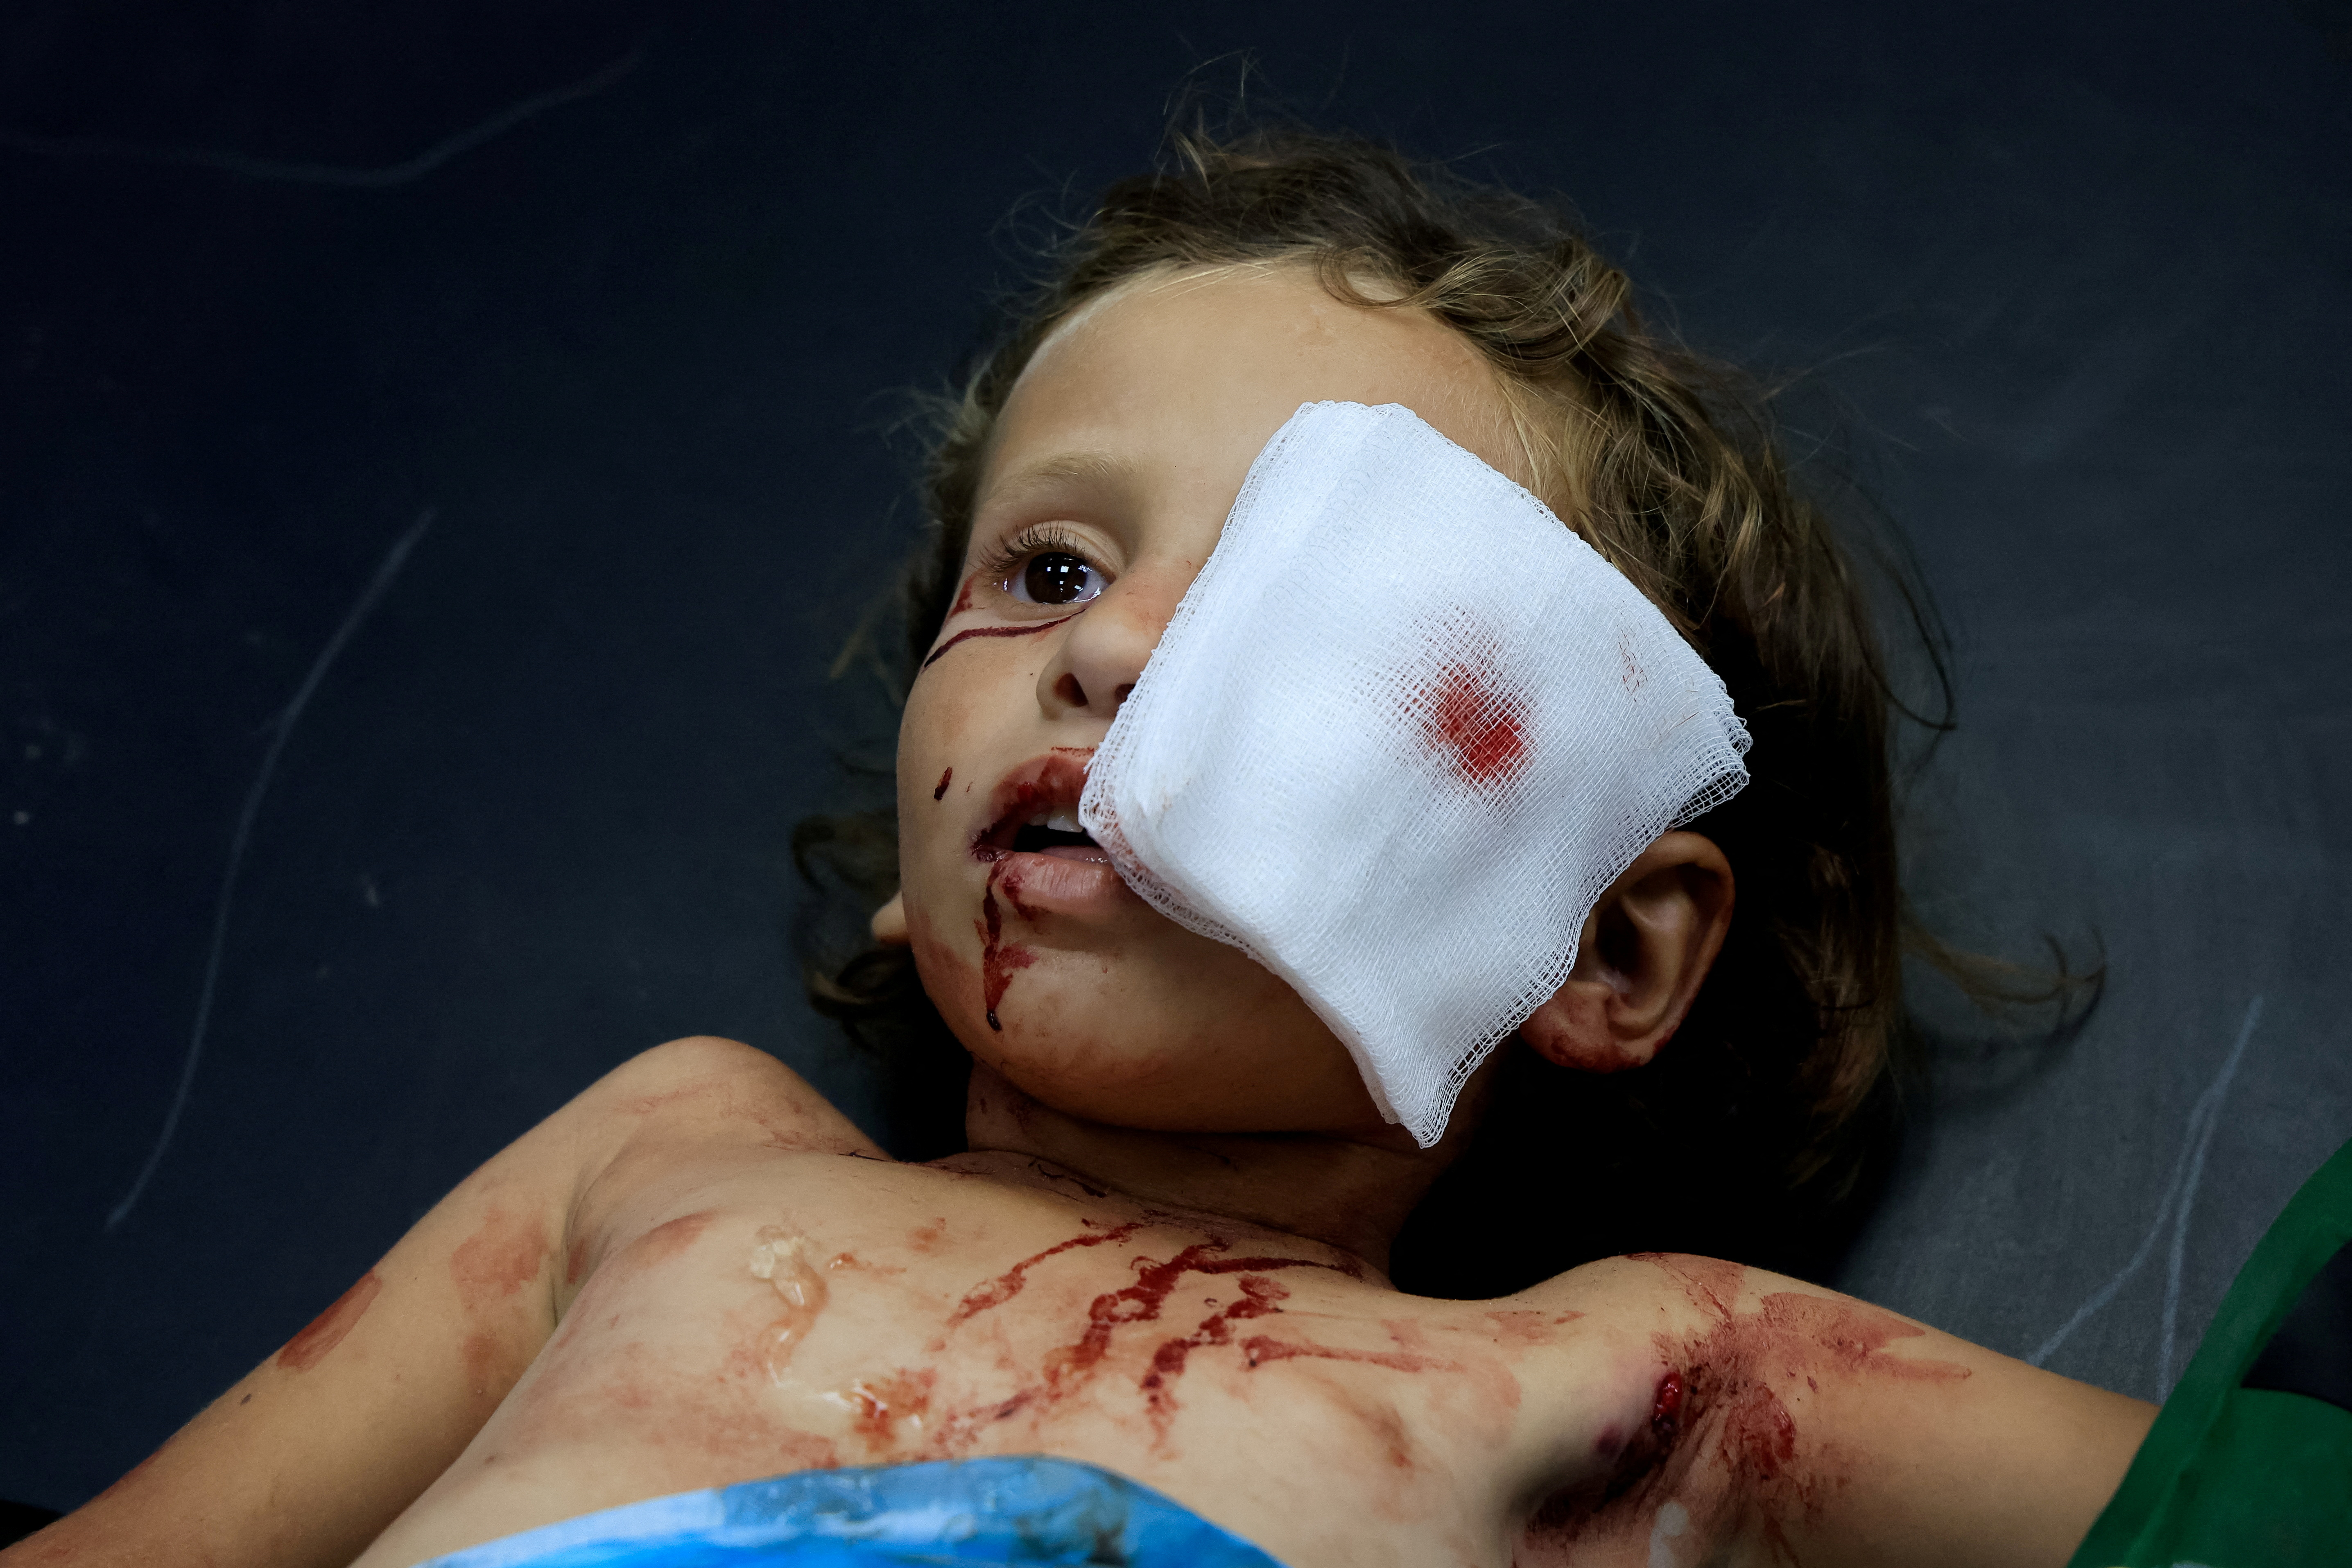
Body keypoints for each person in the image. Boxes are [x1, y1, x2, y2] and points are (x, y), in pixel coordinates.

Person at [4, 130, 2157, 1568]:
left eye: (1308, 619)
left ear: (1600, 947)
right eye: (1045, 569)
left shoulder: (1634, 1386)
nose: (1107, 651)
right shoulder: (675, 1157)